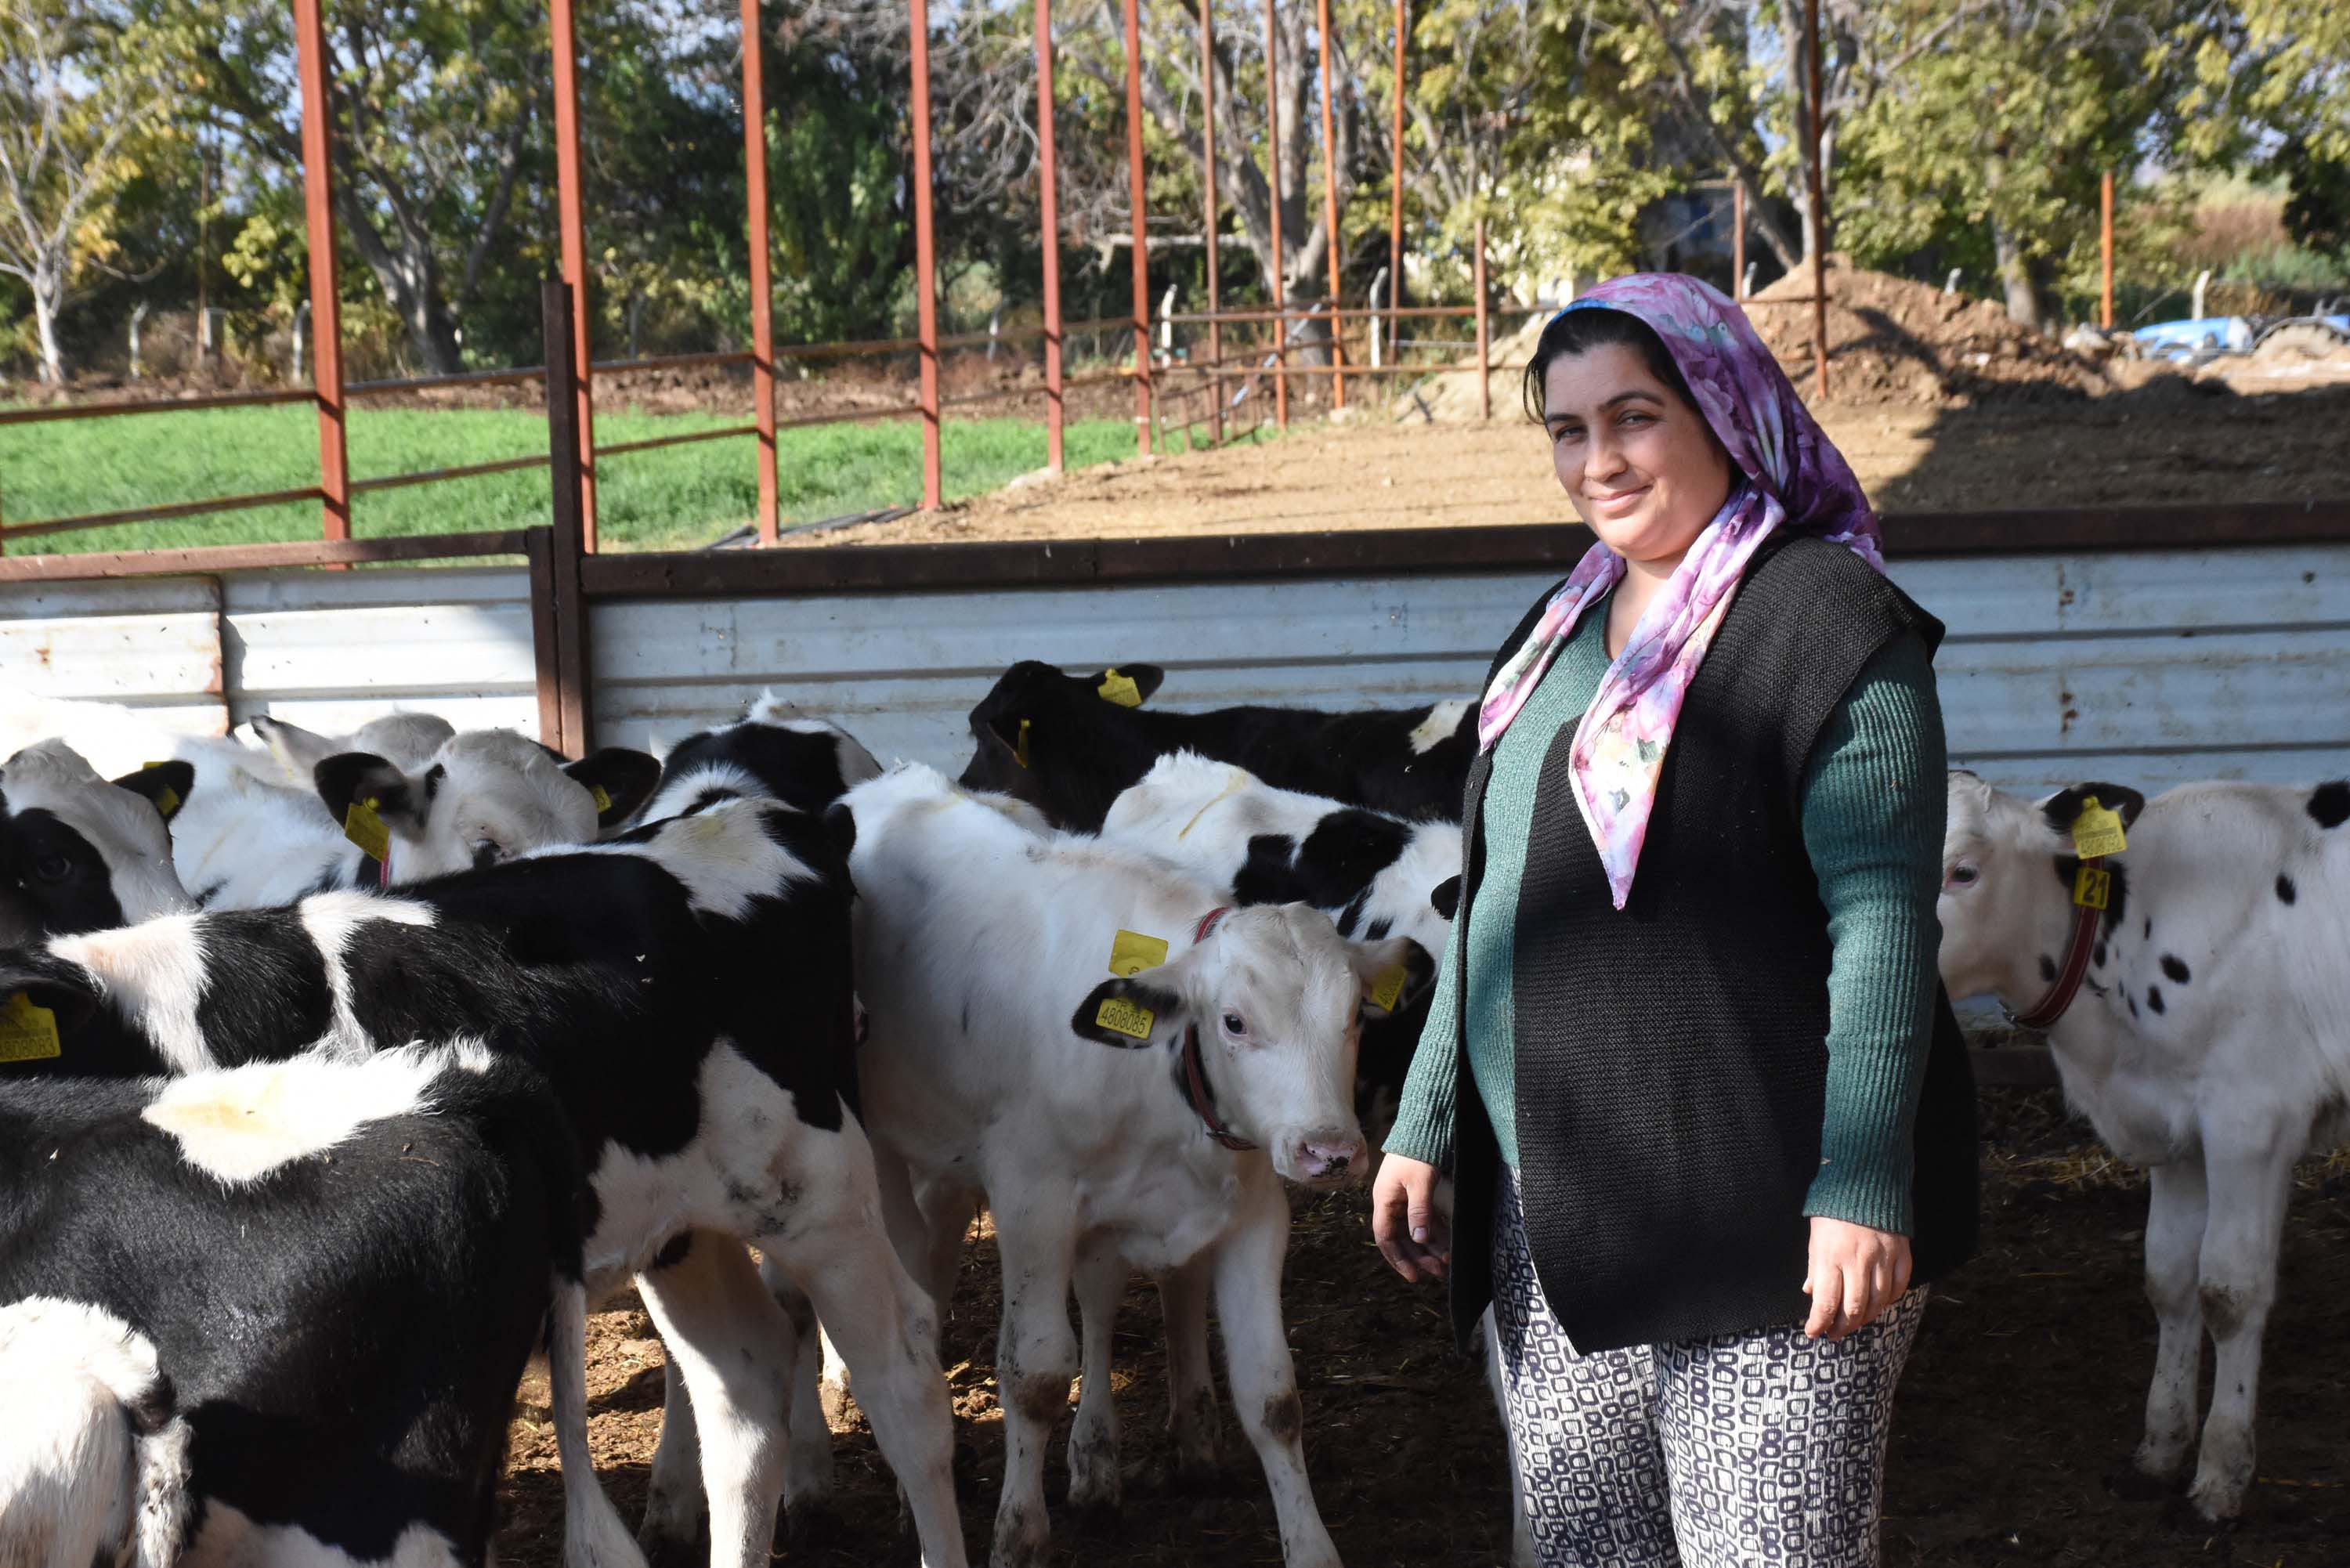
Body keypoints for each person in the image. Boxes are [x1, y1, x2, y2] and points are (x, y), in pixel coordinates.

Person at [1370, 273, 1977, 1568]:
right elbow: (1498, 887)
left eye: (1634, 417)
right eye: (1568, 429)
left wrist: (1865, 1178)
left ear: (1722, 409)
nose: (1598, 460)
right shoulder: (1558, 629)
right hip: (1565, 1212)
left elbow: (1882, 921)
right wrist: (1428, 1118)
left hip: (1772, 1216)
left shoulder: (1833, 625)